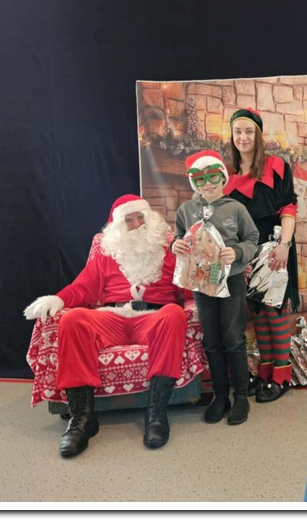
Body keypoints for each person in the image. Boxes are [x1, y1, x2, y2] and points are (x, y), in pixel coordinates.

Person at [24, 194, 188, 458]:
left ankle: (156, 414)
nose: (136, 224)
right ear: (118, 226)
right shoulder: (107, 253)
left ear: (150, 219)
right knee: (73, 320)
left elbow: (188, 285)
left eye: (140, 217)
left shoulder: (170, 250)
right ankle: (82, 420)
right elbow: (82, 287)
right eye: (129, 220)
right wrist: (58, 299)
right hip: (112, 315)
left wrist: (201, 296)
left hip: (154, 317)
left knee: (174, 314)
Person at [172, 150, 259, 425]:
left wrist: (238, 252)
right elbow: (177, 236)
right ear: (194, 182)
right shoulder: (186, 210)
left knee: (233, 337)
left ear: (222, 178)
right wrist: (175, 245)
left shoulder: (236, 209)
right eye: (200, 179)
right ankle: (220, 396)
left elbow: (252, 237)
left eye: (213, 177)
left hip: (231, 279)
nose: (207, 184)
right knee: (211, 338)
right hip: (202, 281)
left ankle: (241, 396)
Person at [224, 107, 299, 403]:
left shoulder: (277, 166)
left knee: (274, 310)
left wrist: (285, 245)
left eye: (248, 131)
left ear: (257, 135)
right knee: (257, 311)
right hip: (246, 252)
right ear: (232, 136)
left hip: (275, 246)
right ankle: (266, 372)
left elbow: (288, 208)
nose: (243, 137)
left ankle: (282, 375)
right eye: (237, 131)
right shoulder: (227, 176)